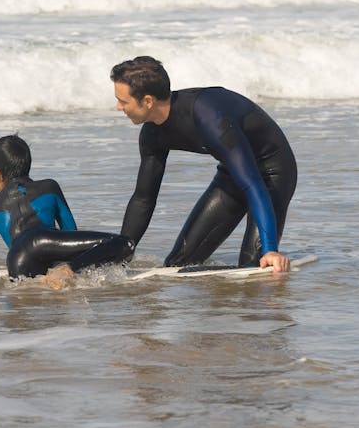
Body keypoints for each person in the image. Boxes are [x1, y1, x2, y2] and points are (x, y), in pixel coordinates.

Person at [110, 56, 297, 274]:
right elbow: (144, 199)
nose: (118, 107)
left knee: (254, 269)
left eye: (123, 101)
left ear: (148, 101)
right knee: (176, 266)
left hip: (272, 172)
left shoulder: (208, 117)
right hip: (233, 174)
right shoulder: (152, 134)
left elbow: (252, 184)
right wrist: (119, 257)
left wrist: (271, 250)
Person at [0, 134, 133, 290]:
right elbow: (70, 231)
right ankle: (68, 270)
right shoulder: (49, 187)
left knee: (31, 308)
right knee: (125, 244)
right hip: (48, 241)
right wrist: (81, 263)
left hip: (17, 261)